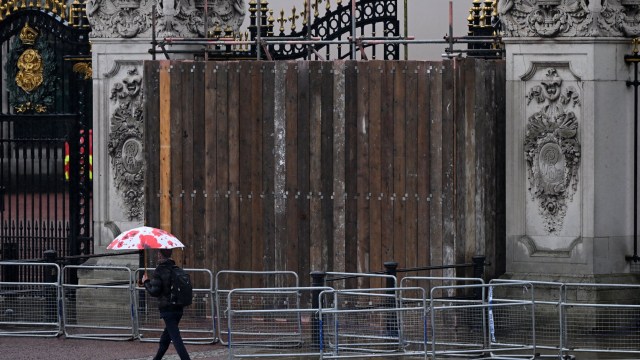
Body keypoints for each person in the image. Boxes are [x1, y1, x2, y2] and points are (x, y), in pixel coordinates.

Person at [142, 248, 191, 360]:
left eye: (158, 253)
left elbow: (154, 291)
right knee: (165, 338)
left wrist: (146, 282)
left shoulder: (159, 270)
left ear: (160, 255)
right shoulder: (176, 268)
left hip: (167, 310)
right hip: (178, 308)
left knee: (176, 338)